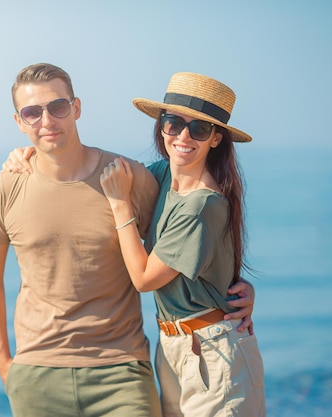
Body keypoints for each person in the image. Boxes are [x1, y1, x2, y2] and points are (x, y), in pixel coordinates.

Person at [0, 63, 255, 417]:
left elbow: (180, 244)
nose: (47, 121)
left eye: (57, 107)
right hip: (43, 372)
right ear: (19, 122)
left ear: (76, 108)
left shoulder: (131, 181)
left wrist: (235, 290)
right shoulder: (8, 185)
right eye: (32, 112)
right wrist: (3, 362)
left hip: (129, 370)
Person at [100, 72, 266, 416]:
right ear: (162, 127)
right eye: (173, 123)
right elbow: (96, 169)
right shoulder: (161, 176)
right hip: (174, 346)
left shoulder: (202, 205)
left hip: (213, 352)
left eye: (199, 129)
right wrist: (31, 156)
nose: (183, 136)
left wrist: (119, 206)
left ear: (216, 139)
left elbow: (144, 280)